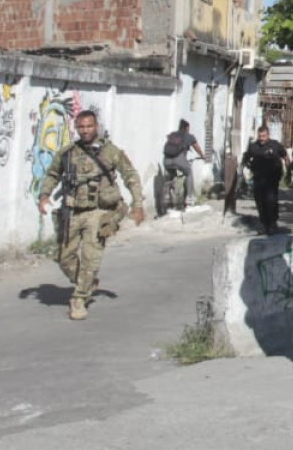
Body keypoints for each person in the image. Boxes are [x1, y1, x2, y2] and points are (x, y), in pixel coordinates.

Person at [37, 110, 145, 321]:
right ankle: (86, 282)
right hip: (73, 211)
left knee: (90, 258)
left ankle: (79, 299)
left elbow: (130, 175)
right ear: (77, 128)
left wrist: (138, 204)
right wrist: (44, 195)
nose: (85, 130)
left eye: (89, 126)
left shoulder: (111, 152)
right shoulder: (68, 153)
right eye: (81, 127)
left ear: (96, 127)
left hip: (99, 212)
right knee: (63, 256)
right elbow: (52, 174)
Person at [241, 124, 291, 234]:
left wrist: (289, 171)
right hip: (258, 179)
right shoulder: (253, 146)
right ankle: (264, 224)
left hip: (272, 179)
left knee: (271, 201)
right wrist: (244, 169)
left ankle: (272, 223)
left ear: (268, 135)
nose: (261, 139)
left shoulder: (275, 145)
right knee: (260, 202)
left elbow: (285, 156)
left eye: (263, 136)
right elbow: (246, 158)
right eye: (260, 136)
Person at [160, 118, 206, 208]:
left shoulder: (172, 135)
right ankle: (189, 198)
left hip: (166, 160)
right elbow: (196, 147)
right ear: (187, 128)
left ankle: (167, 198)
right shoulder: (188, 136)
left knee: (171, 177)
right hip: (178, 159)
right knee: (188, 172)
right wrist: (202, 156)